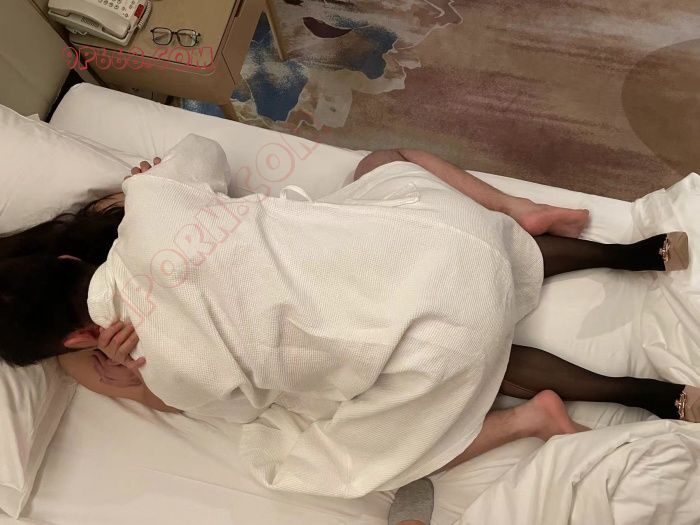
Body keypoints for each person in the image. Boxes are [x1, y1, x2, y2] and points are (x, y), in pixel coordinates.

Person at [0, 139, 695, 502]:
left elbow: (242, 408)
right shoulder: (152, 206)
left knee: (318, 461)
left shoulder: (162, 368)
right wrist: (139, 184)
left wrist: (128, 376)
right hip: (459, 243)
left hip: (445, 346)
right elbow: (204, 153)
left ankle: (623, 402)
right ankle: (570, 231)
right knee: (388, 162)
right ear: (63, 256)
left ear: (71, 340)